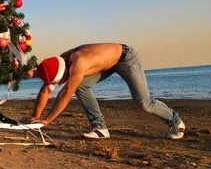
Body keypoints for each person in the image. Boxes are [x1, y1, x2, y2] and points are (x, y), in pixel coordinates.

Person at [22, 43, 185, 139]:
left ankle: (176, 122)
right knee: (81, 85)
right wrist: (36, 118)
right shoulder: (59, 62)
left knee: (144, 103)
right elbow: (46, 90)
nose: (59, 83)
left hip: (126, 58)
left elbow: (65, 94)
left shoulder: (78, 64)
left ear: (63, 73)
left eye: (60, 80)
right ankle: (100, 128)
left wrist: (48, 120)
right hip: (107, 63)